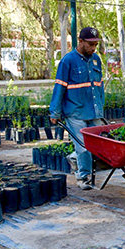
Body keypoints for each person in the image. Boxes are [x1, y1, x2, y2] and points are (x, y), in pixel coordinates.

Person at [49, 27, 105, 191]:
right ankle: (83, 177)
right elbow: (59, 87)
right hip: (75, 112)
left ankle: (74, 159)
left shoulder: (96, 60)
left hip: (93, 111)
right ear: (80, 41)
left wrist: (101, 108)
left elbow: (99, 87)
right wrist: (55, 112)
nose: (93, 48)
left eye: (95, 44)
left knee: (97, 145)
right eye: (90, 44)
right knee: (82, 146)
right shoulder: (68, 61)